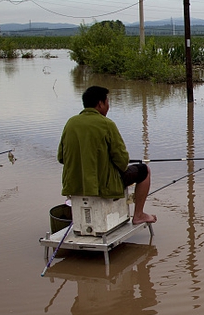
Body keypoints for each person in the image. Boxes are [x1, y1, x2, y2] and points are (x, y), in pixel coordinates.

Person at [58, 85, 156, 225]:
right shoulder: (107, 124)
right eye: (107, 102)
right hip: (103, 185)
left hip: (74, 184)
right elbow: (122, 162)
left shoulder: (70, 123)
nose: (108, 106)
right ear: (100, 104)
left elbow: (61, 158)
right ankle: (139, 215)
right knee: (144, 170)